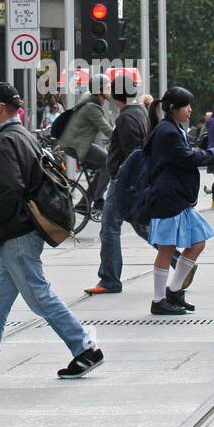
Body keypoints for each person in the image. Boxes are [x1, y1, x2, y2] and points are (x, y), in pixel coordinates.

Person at [0, 82, 104, 379]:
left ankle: (85, 348)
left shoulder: (8, 140)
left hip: (17, 231)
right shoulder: (21, 135)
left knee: (38, 294)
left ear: (0, 108)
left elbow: (10, 189)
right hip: (22, 230)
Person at [141, 87, 214, 316]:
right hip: (168, 198)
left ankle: (174, 290)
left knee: (197, 242)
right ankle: (159, 300)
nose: (190, 110)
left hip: (178, 198)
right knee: (167, 248)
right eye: (186, 106)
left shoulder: (172, 128)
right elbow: (186, 158)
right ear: (173, 109)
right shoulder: (167, 131)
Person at [87, 77, 150, 295]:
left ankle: (109, 279)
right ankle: (179, 262)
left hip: (122, 181)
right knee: (140, 226)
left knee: (109, 229)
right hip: (131, 181)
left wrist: (123, 179)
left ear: (115, 95)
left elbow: (132, 153)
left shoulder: (126, 118)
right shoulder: (140, 111)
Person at [56, 75, 114, 208]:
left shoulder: (90, 99)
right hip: (77, 145)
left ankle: (83, 204)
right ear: (99, 90)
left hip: (76, 143)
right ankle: (99, 200)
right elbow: (108, 130)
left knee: (102, 171)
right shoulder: (91, 108)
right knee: (108, 162)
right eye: (108, 87)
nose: (110, 90)